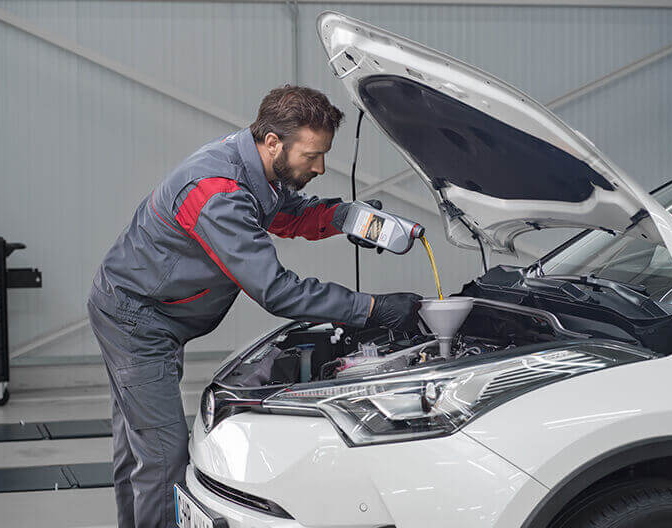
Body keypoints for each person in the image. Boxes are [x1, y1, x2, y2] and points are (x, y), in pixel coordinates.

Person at [86, 85, 421, 528]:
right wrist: (373, 308)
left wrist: (341, 217)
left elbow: (282, 214)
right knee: (162, 457)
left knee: (138, 449)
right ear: (272, 143)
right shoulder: (216, 191)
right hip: (135, 318)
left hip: (141, 305)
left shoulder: (254, 170)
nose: (320, 167)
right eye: (312, 155)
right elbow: (277, 290)